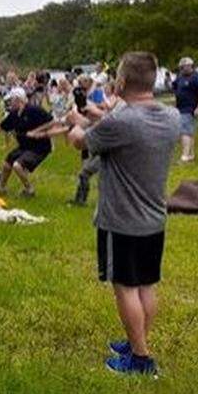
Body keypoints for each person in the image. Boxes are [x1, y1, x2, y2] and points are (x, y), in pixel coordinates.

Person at [65, 51, 180, 377]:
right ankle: (137, 341)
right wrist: (102, 114)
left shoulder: (121, 122)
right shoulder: (170, 117)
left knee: (125, 288)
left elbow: (79, 142)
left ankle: (140, 360)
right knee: (146, 285)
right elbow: (120, 125)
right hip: (154, 218)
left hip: (121, 223)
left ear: (122, 81)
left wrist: (76, 123)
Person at [0, 87, 52, 197]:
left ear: (18, 100)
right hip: (25, 146)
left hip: (39, 148)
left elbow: (52, 122)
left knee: (17, 166)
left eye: (11, 100)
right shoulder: (14, 114)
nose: (9, 103)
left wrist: (38, 132)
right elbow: (0, 127)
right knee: (7, 164)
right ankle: (1, 188)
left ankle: (29, 190)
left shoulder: (35, 110)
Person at [172, 57, 198, 163]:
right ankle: (190, 155)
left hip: (189, 109)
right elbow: (175, 89)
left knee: (185, 133)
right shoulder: (180, 78)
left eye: (185, 66)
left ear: (190, 66)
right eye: (181, 67)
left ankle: (184, 156)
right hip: (180, 109)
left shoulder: (197, 78)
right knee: (189, 132)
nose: (183, 69)